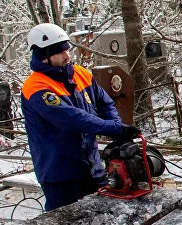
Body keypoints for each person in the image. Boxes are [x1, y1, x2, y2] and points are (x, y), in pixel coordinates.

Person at [21, 23, 139, 211]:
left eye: (67, 50)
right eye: (59, 52)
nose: (67, 55)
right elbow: (73, 119)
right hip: (61, 175)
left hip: (92, 169)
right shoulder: (36, 88)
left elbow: (104, 103)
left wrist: (117, 128)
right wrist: (113, 128)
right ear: (44, 57)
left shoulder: (80, 74)